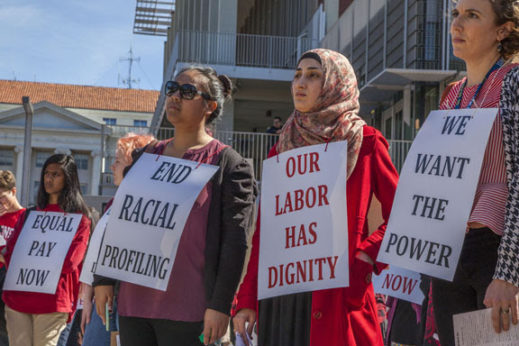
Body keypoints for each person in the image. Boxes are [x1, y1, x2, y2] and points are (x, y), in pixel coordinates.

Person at [233, 48, 399, 346]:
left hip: (338, 296)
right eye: (297, 74)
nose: (300, 83)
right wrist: (247, 298)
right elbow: (267, 233)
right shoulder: (281, 147)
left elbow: (403, 214)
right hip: (283, 295)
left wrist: (364, 259)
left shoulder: (365, 141)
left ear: (336, 83)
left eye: (313, 75)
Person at [94, 65, 257, 346]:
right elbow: (122, 219)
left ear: (210, 106)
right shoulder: (145, 156)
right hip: (135, 304)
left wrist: (220, 305)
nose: (175, 97)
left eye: (187, 91)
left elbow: (235, 242)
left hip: (191, 309)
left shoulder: (229, 164)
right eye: (172, 89)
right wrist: (102, 278)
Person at [429, 0, 519, 344]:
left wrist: (510, 274)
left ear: (502, 30)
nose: (457, 24)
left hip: (497, 250)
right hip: (451, 249)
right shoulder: (452, 94)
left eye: (472, 15)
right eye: (455, 14)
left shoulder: (513, 83)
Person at [1, 154, 92, 346]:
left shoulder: (80, 219)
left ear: (68, 178)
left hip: (53, 302)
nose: (48, 179)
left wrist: (30, 257)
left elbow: (70, 263)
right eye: (46, 174)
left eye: (56, 174)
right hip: (18, 299)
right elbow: (11, 254)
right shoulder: (29, 215)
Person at [79, 133, 155, 346]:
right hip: (102, 299)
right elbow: (97, 251)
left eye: (118, 161)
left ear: (134, 164)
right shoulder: (115, 202)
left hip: (122, 300)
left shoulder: (141, 204)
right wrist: (88, 297)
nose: (112, 166)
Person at [0, 170, 25, 345]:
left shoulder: (26, 217)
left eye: (2, 197)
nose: (0, 203)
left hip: (10, 282)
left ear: (13, 191)